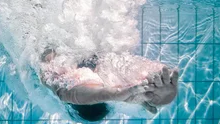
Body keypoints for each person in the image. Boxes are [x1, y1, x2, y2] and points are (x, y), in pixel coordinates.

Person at [38, 48, 178, 120]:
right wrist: (157, 75)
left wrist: (109, 95)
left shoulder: (54, 77)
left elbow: (67, 91)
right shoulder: (107, 68)